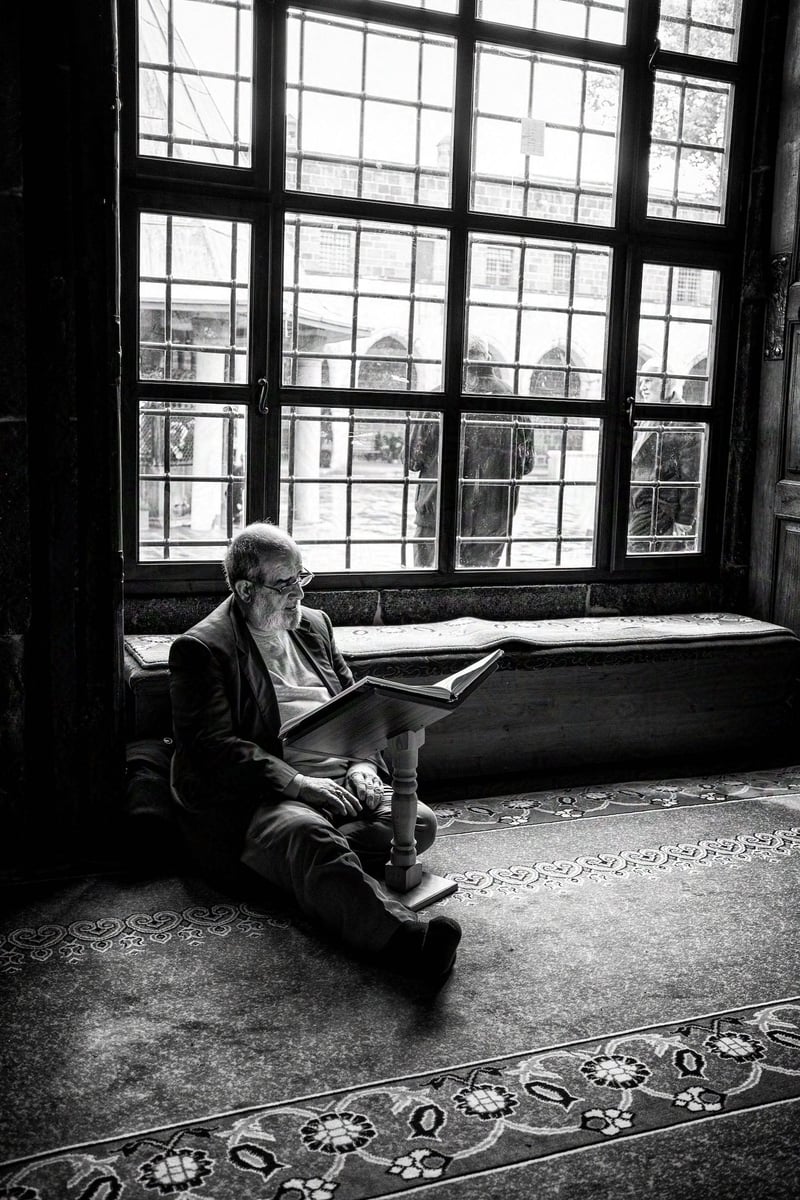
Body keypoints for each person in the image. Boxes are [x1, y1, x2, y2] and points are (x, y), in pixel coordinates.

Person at [168, 521, 462, 982]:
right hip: (270, 792)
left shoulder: (315, 626)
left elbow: (357, 705)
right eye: (284, 584)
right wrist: (302, 786)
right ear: (246, 588)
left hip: (340, 777)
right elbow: (214, 749)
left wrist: (363, 765)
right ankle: (407, 945)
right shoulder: (202, 648)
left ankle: (304, 869)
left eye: (301, 578)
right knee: (309, 835)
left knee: (418, 822)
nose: (298, 595)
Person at [409, 341, 535, 567]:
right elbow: (527, 464)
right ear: (488, 359)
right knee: (479, 589)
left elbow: (413, 460)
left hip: (437, 514)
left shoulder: (436, 398)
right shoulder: (515, 402)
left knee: (426, 587)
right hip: (493, 518)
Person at [628, 368, 702, 553]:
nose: (642, 387)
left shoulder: (684, 421)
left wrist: (684, 520)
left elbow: (690, 475)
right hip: (639, 503)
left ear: (666, 383)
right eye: (641, 382)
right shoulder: (646, 416)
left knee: (639, 556)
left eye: (648, 381)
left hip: (662, 509)